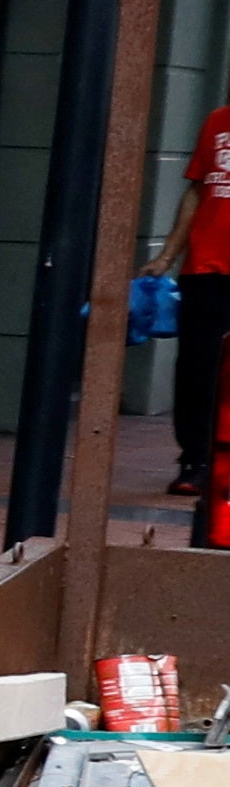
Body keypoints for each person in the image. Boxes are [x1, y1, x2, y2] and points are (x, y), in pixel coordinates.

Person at [178, 97, 230, 516]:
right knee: (198, 367)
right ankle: (195, 459)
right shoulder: (217, 121)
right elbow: (197, 189)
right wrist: (167, 255)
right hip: (205, 265)